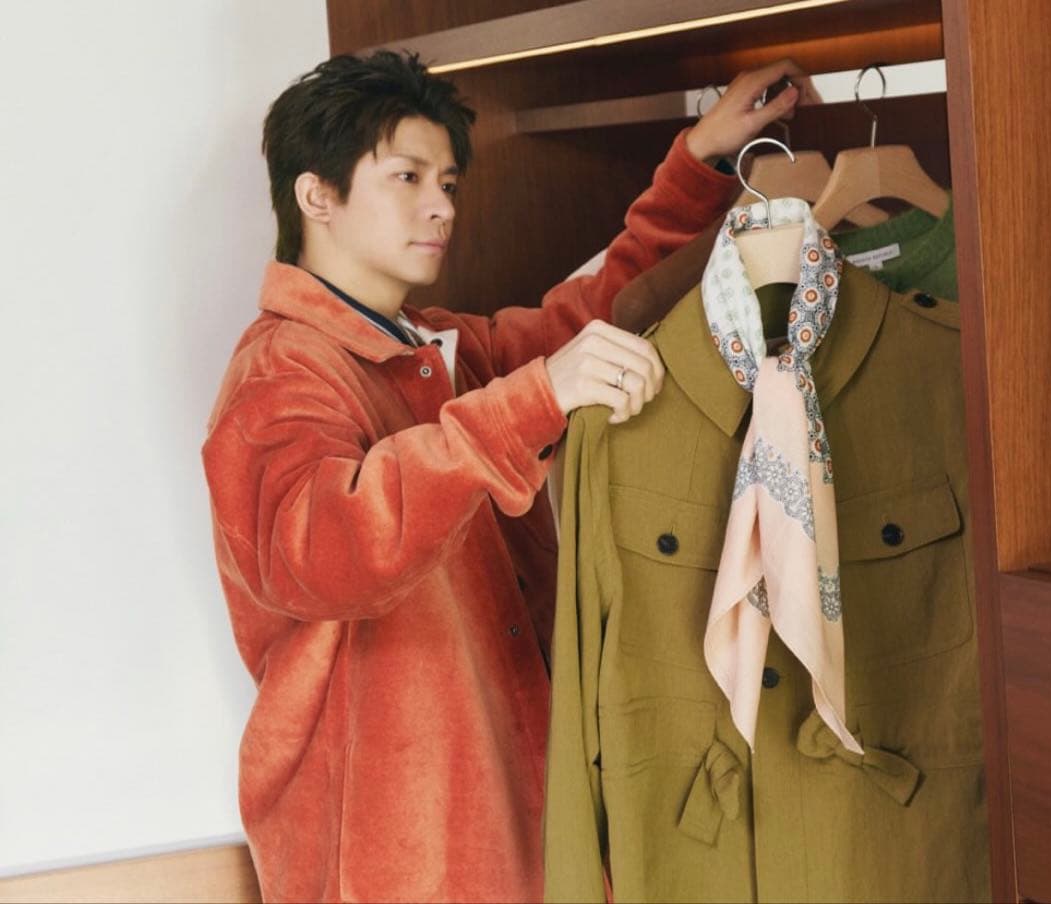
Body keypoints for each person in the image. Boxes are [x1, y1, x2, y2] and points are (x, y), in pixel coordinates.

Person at [202, 49, 812, 903]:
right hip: (385, 848)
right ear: (317, 196)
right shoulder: (281, 371)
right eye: (407, 177)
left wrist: (701, 160)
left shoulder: (433, 348)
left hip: (507, 810)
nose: (442, 206)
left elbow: (599, 313)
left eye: (448, 182)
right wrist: (530, 400)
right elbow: (327, 550)